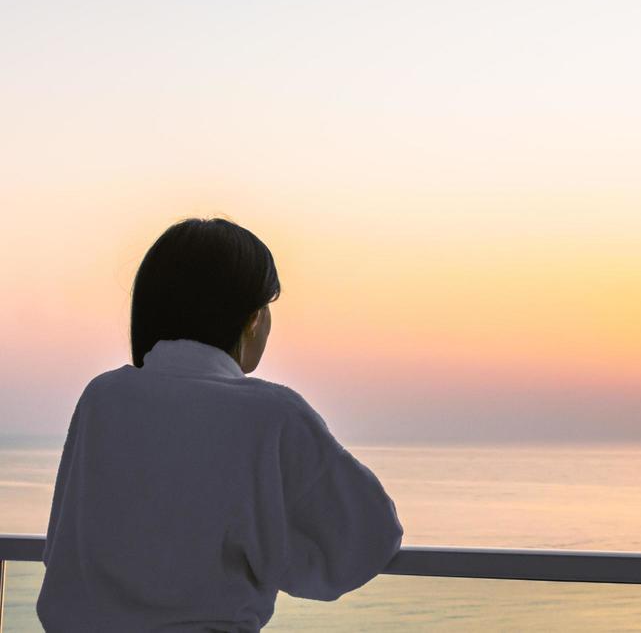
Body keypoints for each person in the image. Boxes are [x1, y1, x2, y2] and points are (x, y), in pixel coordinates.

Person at [37, 218, 404, 632]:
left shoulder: (102, 398)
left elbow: (66, 545)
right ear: (251, 319)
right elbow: (367, 535)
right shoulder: (270, 414)